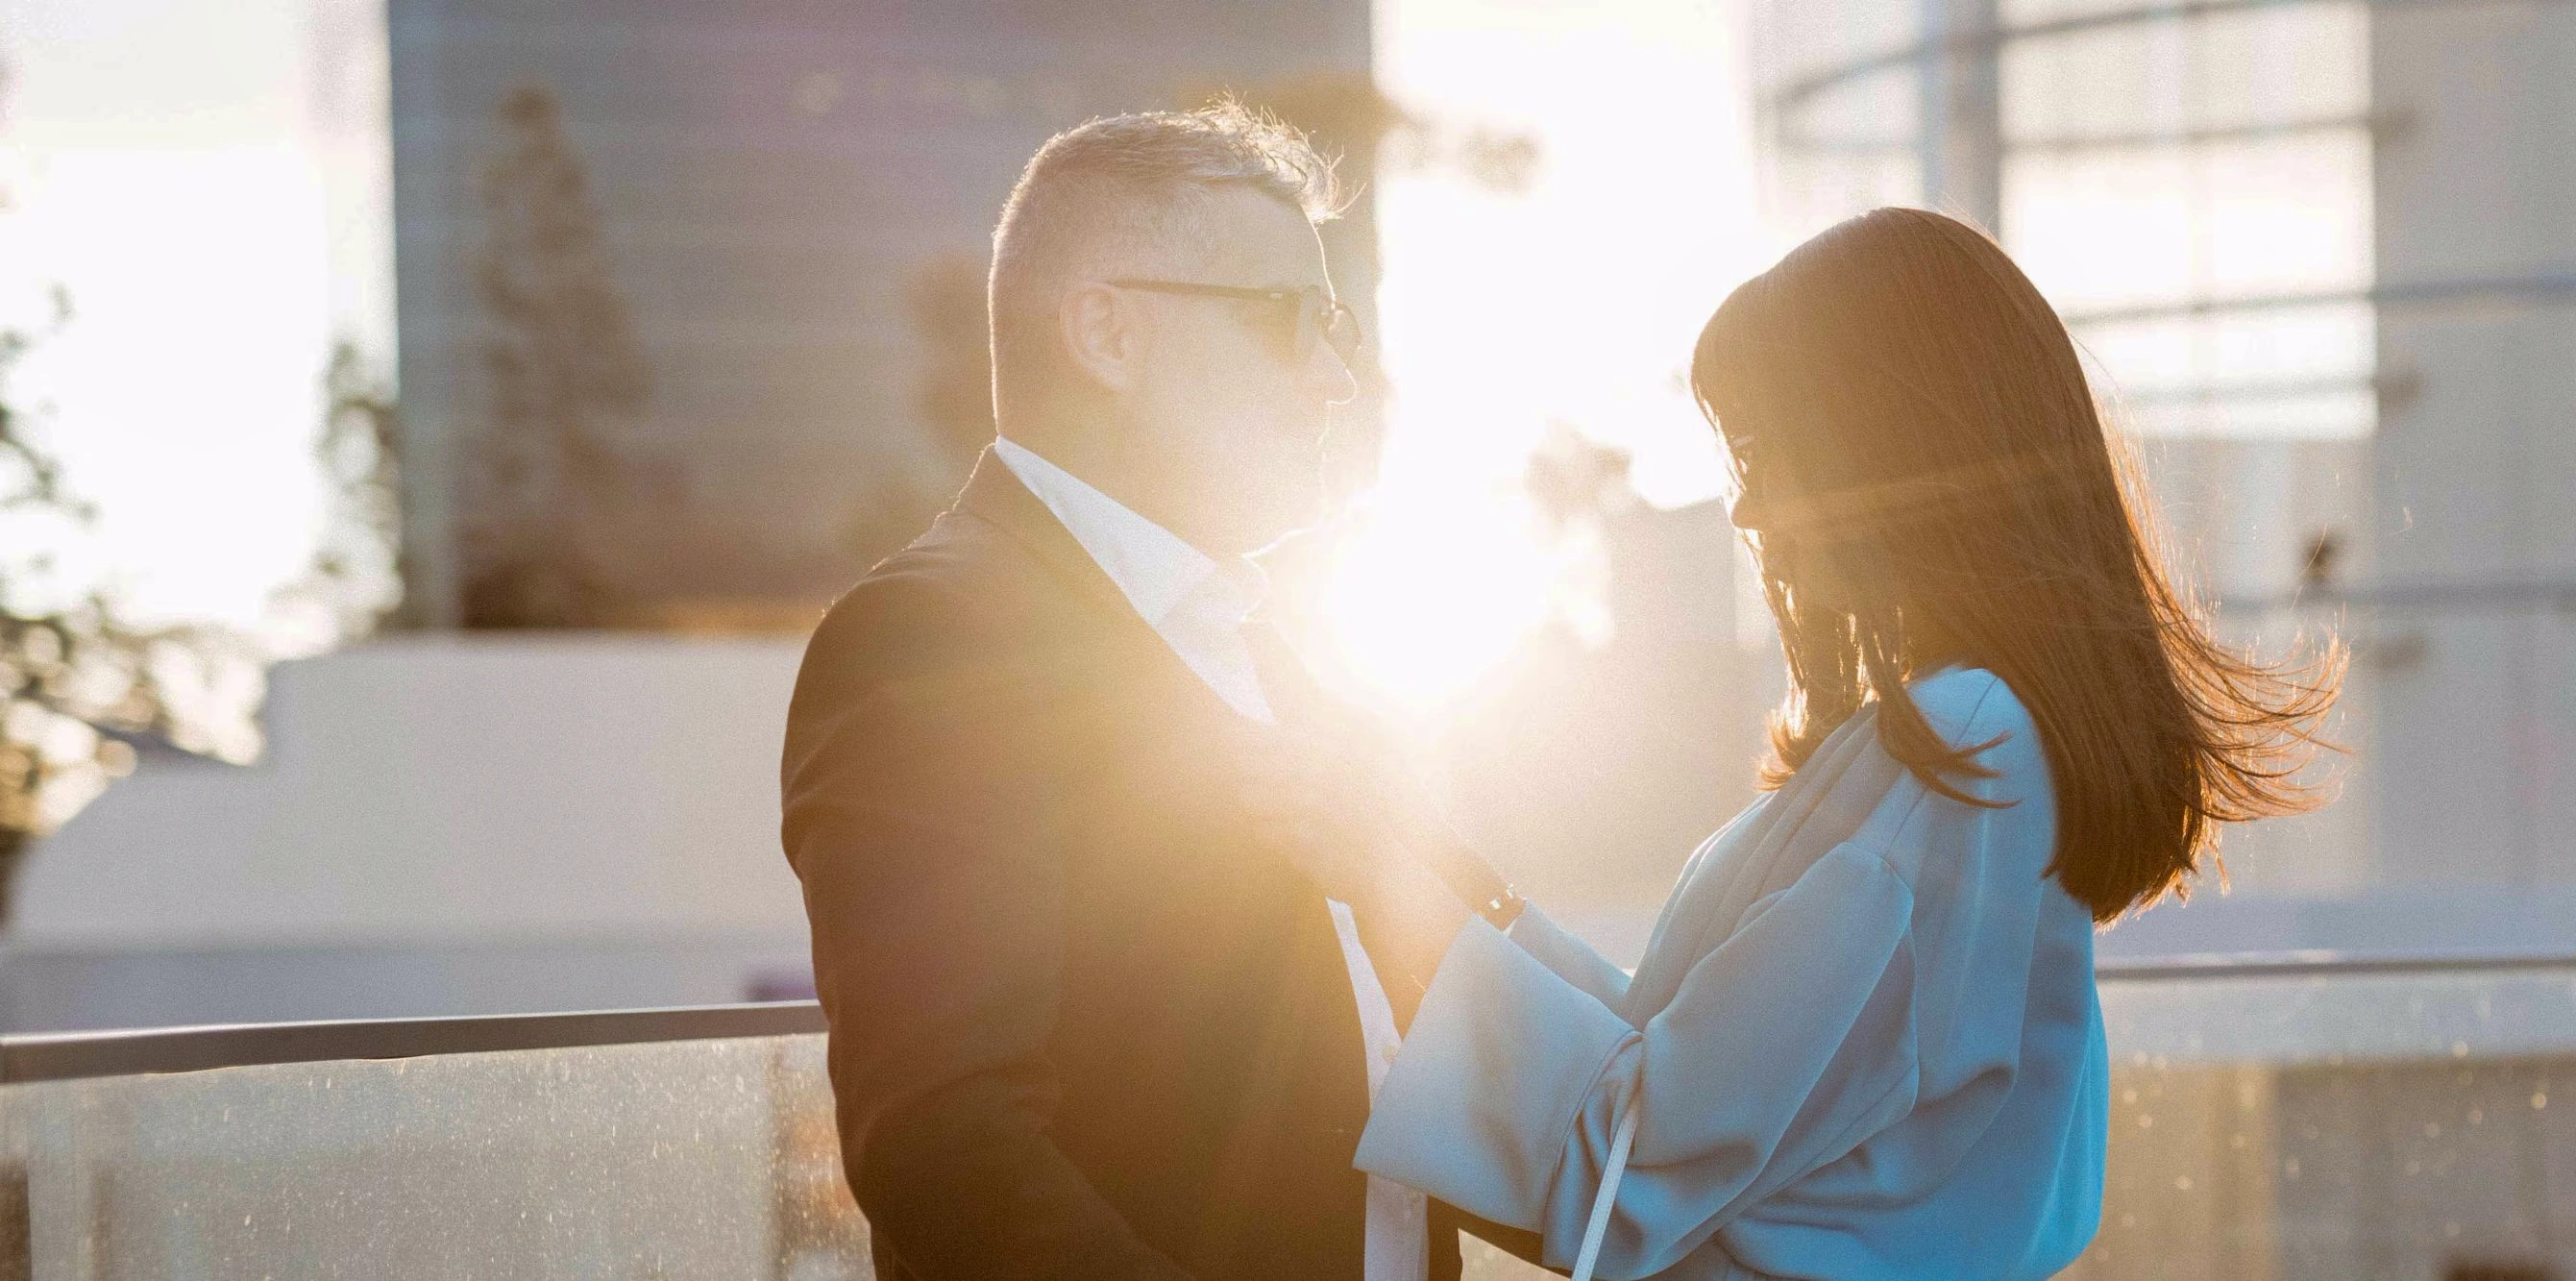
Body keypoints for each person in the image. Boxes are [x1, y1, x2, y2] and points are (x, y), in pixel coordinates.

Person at [1252, 208, 2343, 1280]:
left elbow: (1644, 1146)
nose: (1747, 511)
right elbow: (1676, 1053)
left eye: (1771, 454)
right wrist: (1450, 880)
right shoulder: (1968, 739)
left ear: (1889, 452)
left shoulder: (1963, 748)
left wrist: (1395, 897)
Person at [780, 103, 1539, 1280]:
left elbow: (1391, 1061)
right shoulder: (932, 635)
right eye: (1294, 322)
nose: (1339, 379)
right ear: (1110, 334)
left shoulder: (1280, 648)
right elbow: (948, 1145)